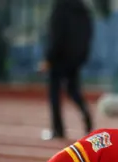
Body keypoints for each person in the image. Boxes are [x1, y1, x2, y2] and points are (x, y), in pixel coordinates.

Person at [40, 0, 94, 140]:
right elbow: (88, 33)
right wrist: (82, 55)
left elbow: (56, 35)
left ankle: (58, 129)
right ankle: (87, 119)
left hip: (59, 58)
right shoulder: (83, 8)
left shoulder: (60, 7)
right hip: (75, 58)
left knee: (54, 94)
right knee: (73, 90)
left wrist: (49, 58)